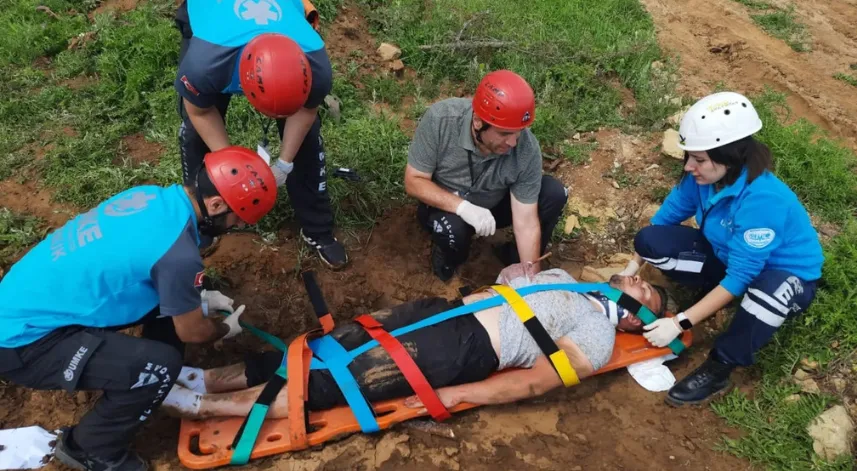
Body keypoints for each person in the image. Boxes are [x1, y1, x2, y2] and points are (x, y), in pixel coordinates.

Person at [0, 147, 277, 471]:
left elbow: (144, 264)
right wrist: (222, 328)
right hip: (22, 343)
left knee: (168, 307)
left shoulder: (149, 197)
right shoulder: (178, 256)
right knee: (161, 365)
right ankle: (89, 447)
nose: (236, 224)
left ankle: (148, 379)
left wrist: (192, 297)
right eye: (237, 216)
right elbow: (192, 330)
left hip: (24, 301)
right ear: (216, 205)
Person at [161, 268, 667, 419]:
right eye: (642, 279)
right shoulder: (568, 278)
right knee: (328, 345)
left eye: (647, 291)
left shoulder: (599, 334)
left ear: (638, 320)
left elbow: (537, 383)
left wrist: (458, 395)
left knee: (336, 381)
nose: (638, 280)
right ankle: (208, 376)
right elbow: (509, 282)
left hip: (467, 349)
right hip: (444, 311)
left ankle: (207, 406)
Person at [618, 91, 824, 406]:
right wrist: (632, 268)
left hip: (781, 275)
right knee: (651, 241)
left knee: (765, 294)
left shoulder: (763, 200)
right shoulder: (704, 179)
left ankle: (721, 366)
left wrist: (679, 323)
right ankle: (710, 296)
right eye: (689, 156)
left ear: (730, 156)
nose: (689, 167)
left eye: (699, 159)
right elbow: (662, 222)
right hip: (729, 260)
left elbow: (742, 276)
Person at [173, 0, 348, 269]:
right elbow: (200, 112)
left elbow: (305, 112)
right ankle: (203, 221)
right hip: (216, 26)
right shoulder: (203, 65)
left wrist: (284, 163)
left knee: (307, 139)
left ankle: (318, 229)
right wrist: (230, 164)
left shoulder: (316, 66)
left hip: (276, 30)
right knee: (195, 134)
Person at [404, 70, 568, 281]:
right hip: (445, 206)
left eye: (518, 131)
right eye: (504, 133)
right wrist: (463, 207)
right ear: (478, 122)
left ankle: (516, 260)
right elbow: (413, 181)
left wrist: (530, 279)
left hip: (494, 207)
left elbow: (526, 221)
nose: (513, 142)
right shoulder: (441, 121)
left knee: (553, 193)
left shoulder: (525, 148)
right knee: (453, 230)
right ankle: (450, 257)